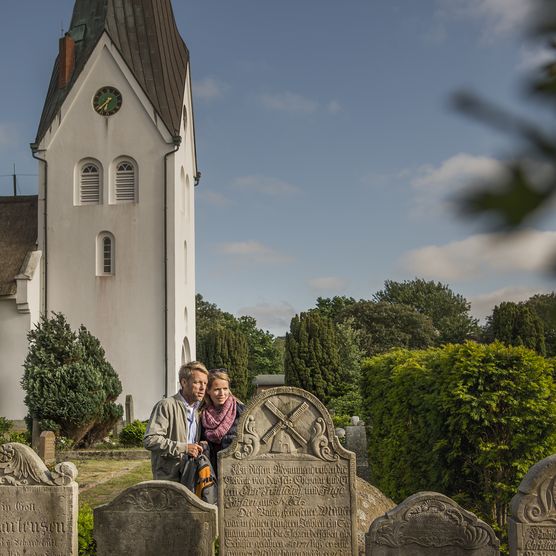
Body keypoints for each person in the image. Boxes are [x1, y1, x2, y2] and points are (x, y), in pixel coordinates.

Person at [143, 361, 208, 481]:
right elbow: (150, 440)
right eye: (197, 382)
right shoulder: (166, 405)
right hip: (168, 477)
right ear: (183, 382)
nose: (203, 388)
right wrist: (183, 448)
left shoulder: (197, 411)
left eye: (205, 383)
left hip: (190, 475)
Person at [201, 368, 245, 475]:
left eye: (225, 389)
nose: (222, 393)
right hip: (210, 470)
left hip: (235, 470)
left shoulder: (241, 411)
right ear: (208, 390)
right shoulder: (201, 414)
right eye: (217, 389)